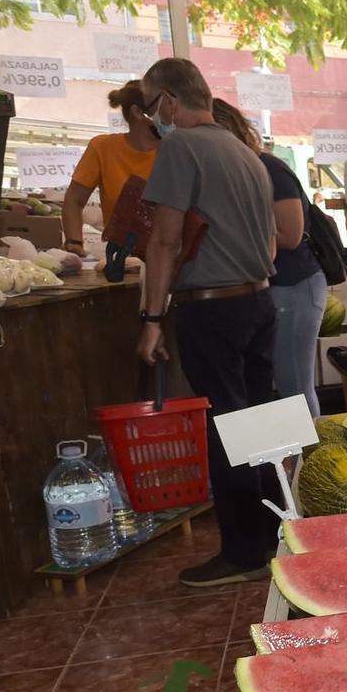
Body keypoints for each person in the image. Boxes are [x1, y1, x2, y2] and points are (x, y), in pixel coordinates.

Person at [135, 59, 281, 587]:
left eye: (154, 108)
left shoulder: (181, 147)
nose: (155, 119)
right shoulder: (247, 154)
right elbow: (270, 243)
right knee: (259, 426)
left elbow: (165, 240)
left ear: (171, 101)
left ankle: (241, 554)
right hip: (259, 301)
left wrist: (151, 319)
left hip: (211, 305)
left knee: (227, 428)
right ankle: (271, 538)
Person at [210, 100, 321, 415]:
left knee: (294, 386)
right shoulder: (237, 172)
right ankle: (295, 460)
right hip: (270, 289)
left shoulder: (268, 168)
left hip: (294, 286)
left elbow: (291, 235)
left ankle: (312, 461)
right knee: (279, 386)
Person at [61, 80, 160, 255]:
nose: (170, 113)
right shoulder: (103, 147)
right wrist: (74, 242)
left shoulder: (177, 150)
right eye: (160, 107)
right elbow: (74, 201)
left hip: (167, 254)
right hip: (121, 256)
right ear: (138, 112)